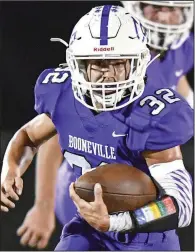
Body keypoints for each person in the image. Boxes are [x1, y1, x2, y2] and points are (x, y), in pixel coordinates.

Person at [1, 5, 193, 251]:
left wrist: (116, 221)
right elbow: (28, 135)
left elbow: (180, 206)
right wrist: (10, 168)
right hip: (89, 230)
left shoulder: (154, 115)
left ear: (138, 62)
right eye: (98, 64)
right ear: (76, 65)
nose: (109, 75)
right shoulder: (63, 95)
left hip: (147, 238)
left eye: (118, 63)